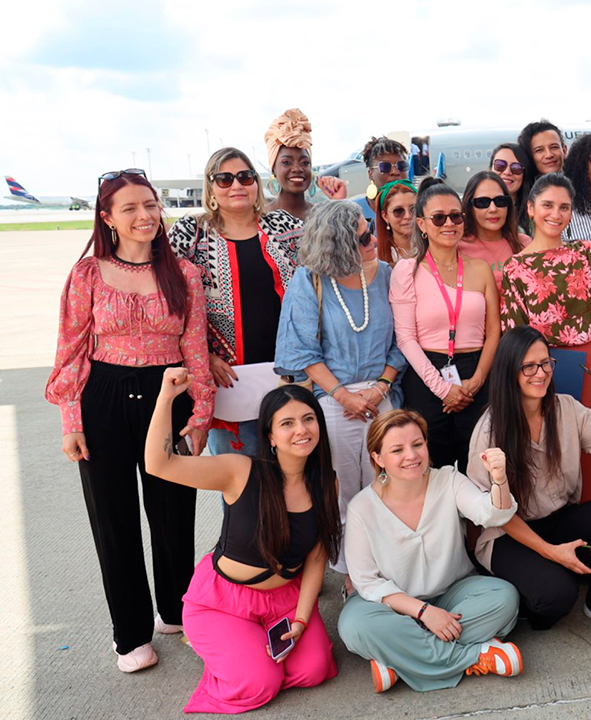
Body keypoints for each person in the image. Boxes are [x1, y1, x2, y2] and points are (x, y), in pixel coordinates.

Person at [46, 169, 213, 673]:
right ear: (108, 218)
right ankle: (131, 635)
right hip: (104, 398)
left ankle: (175, 611)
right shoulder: (88, 274)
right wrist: (71, 420)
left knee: (174, 511)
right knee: (113, 519)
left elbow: (195, 347)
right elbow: (71, 349)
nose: (145, 216)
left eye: (150, 205)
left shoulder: (183, 273)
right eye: (130, 208)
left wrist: (201, 411)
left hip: (170, 396)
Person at [144, 376, 341, 713]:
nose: (301, 430)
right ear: (270, 435)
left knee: (313, 670)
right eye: (287, 423)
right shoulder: (240, 471)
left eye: (309, 419)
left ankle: (245, 652)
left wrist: (301, 621)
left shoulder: (326, 483)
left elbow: (316, 559)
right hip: (224, 602)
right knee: (258, 684)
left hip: (284, 601)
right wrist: (165, 398)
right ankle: (226, 650)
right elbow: (159, 465)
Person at [466, 327, 591, 634]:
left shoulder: (566, 408)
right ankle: (520, 585)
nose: (541, 373)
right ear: (509, 372)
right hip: (507, 532)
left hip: (556, 518)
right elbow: (496, 515)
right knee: (556, 598)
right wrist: (550, 552)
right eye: (529, 367)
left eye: (546, 363)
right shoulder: (489, 429)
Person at [338, 410, 523, 693]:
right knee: (354, 626)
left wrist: (499, 479)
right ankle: (475, 656)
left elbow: (491, 514)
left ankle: (400, 658)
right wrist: (423, 612)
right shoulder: (361, 508)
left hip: (451, 595)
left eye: (417, 444)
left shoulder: (448, 479)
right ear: (378, 458)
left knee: (503, 597)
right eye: (397, 450)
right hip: (391, 606)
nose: (411, 455)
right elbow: (367, 582)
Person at [275, 201, 405, 579]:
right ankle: (352, 574)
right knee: (343, 494)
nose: (373, 240)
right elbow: (302, 351)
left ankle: (392, 569)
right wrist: (344, 396)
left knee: (390, 486)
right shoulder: (309, 280)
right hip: (333, 400)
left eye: (370, 230)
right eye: (362, 238)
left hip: (384, 395)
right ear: (338, 245)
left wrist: (381, 387)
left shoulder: (387, 275)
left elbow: (405, 339)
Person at [169, 147, 305, 456]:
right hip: (227, 381)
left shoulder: (285, 226)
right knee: (240, 476)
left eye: (245, 177)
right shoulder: (191, 234)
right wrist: (202, 357)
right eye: (224, 179)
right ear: (211, 186)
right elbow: (166, 305)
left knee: (292, 472)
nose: (236, 186)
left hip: (288, 375)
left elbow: (317, 282)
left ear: (256, 182)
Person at [501, 175, 591, 500]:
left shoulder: (584, 253)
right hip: (541, 369)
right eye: (548, 205)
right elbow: (514, 330)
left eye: (564, 207)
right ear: (531, 208)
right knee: (552, 448)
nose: (555, 214)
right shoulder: (514, 268)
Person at [391, 183, 500, 473]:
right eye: (439, 218)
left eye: (456, 216)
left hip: (476, 372)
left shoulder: (480, 268)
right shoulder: (407, 270)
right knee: (430, 468)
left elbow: (494, 332)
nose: (449, 223)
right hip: (426, 374)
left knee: (480, 466)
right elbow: (405, 338)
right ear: (422, 224)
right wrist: (442, 388)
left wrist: (477, 379)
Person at [263, 109, 346, 222]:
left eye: (305, 163)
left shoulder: (323, 217)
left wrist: (339, 203)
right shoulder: (260, 218)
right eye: (286, 162)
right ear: (273, 169)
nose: (297, 169)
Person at [460, 170, 530, 285]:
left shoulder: (524, 244)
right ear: (469, 207)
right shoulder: (458, 248)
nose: (493, 209)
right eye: (482, 202)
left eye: (500, 201)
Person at [353, 136, 410, 222]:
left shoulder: (421, 208)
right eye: (385, 167)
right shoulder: (354, 212)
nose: (395, 172)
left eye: (402, 165)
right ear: (370, 174)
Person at [490, 143, 532, 233]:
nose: (507, 172)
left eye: (516, 168)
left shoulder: (534, 213)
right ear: (490, 169)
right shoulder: (471, 207)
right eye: (500, 165)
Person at [375, 180, 419, 264]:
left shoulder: (435, 250)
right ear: (385, 216)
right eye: (398, 211)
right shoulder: (376, 259)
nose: (408, 216)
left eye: (413, 209)